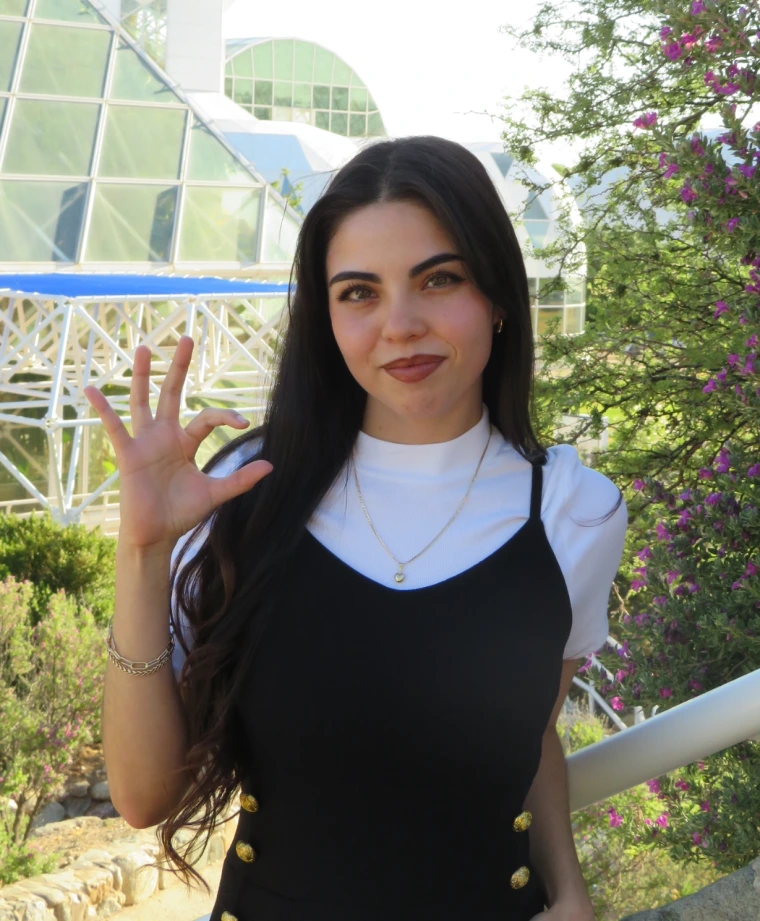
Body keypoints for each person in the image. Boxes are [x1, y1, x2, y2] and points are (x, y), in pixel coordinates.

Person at [86, 135, 628, 921]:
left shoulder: (575, 510)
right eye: (359, 292)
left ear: (500, 296)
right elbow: (143, 797)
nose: (399, 325)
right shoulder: (247, 493)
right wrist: (142, 550)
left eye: (439, 279)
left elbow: (530, 734)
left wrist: (570, 888)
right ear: (326, 315)